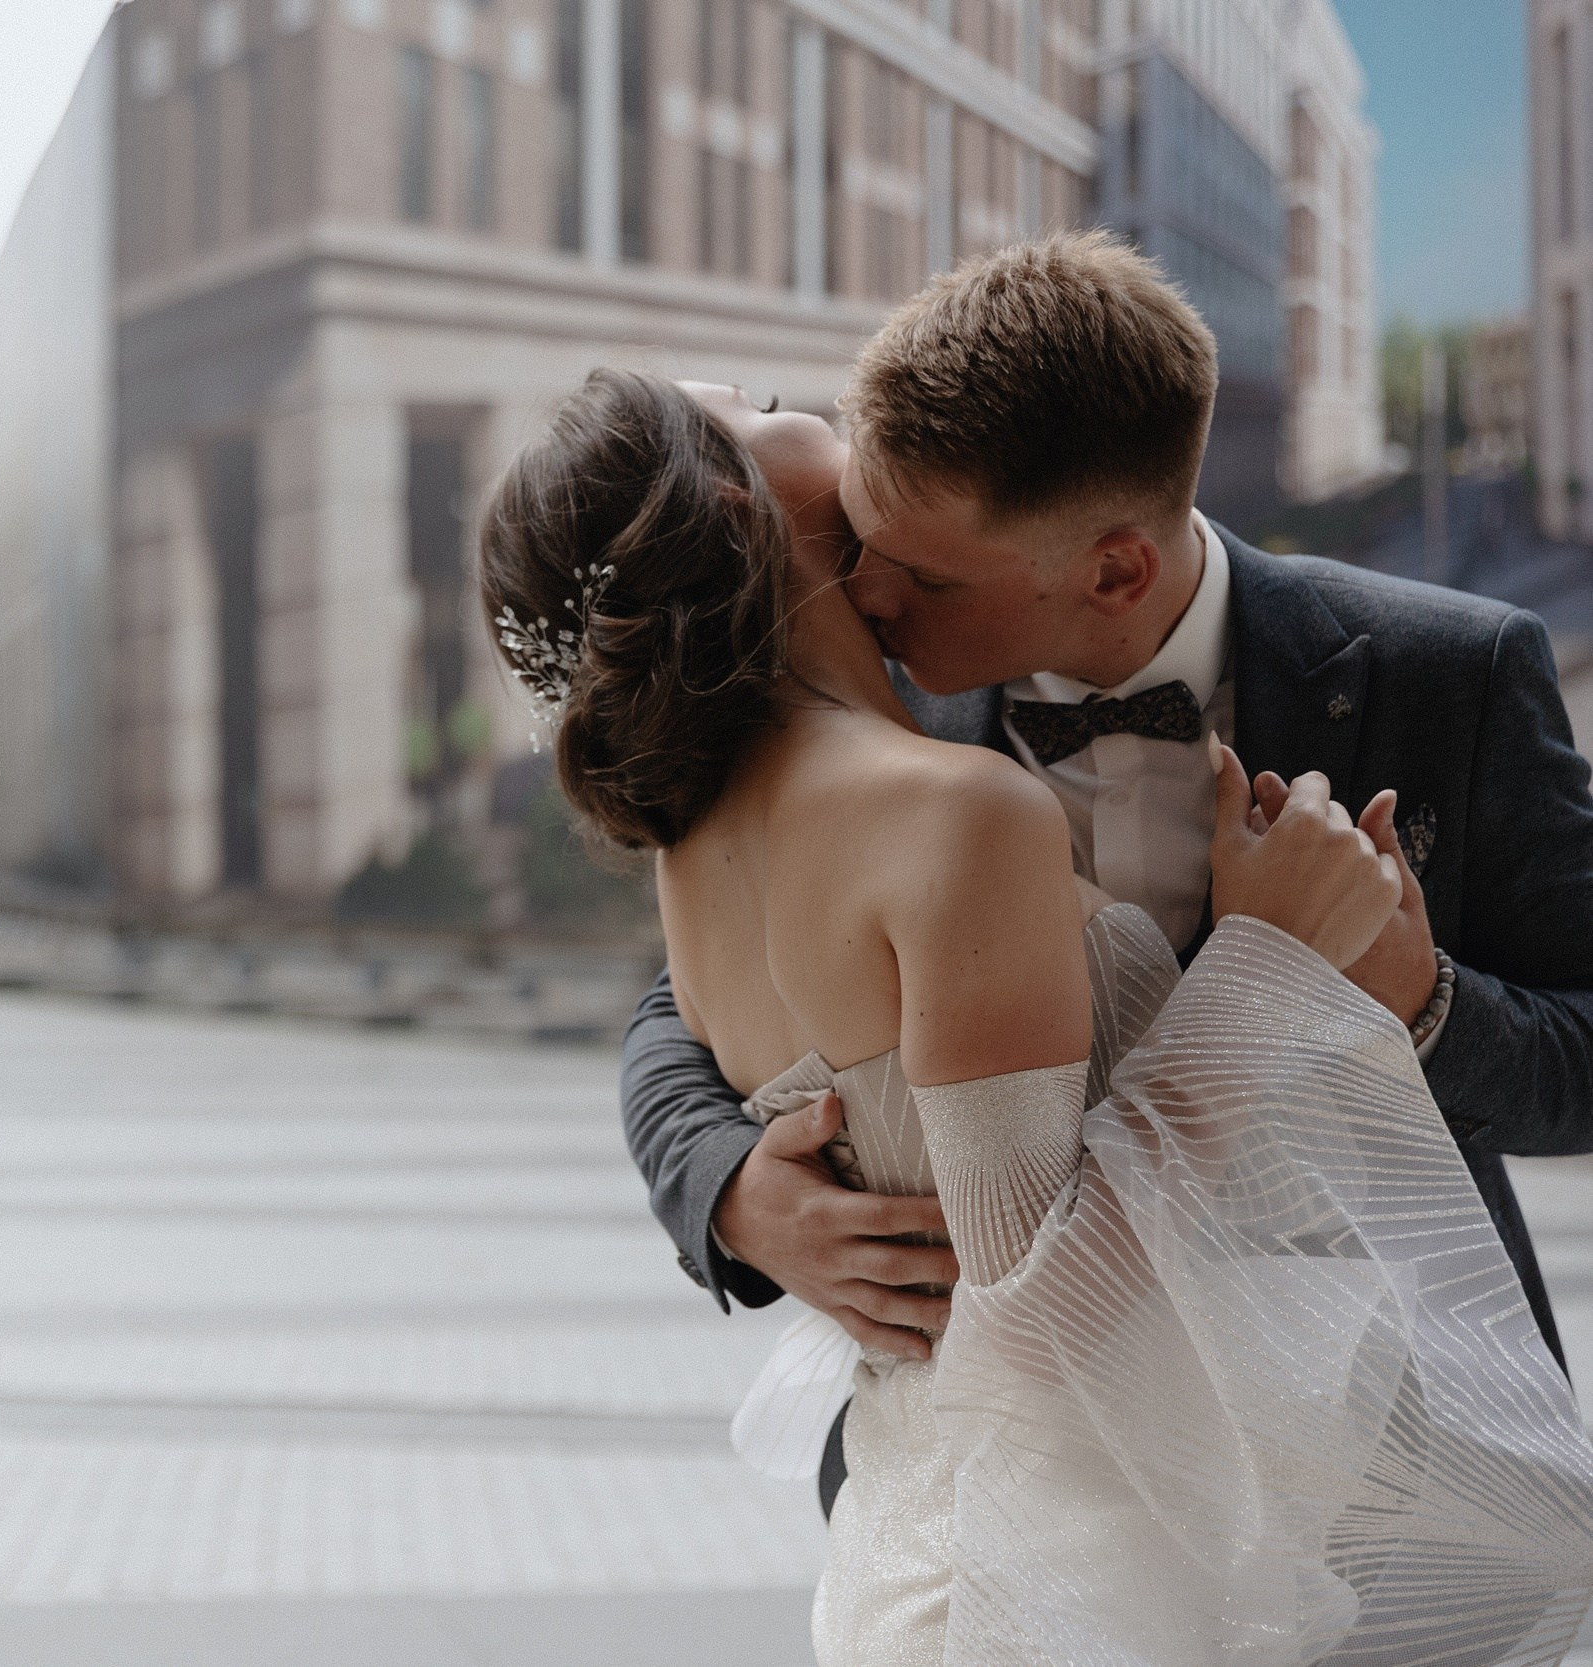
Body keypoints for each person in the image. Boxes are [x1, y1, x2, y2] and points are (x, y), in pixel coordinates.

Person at [479, 240, 1593, 1659]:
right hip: (1064, 1546)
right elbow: (678, 1024)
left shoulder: (1451, 675)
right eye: (860, 542)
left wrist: (1416, 1001)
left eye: (917, 571)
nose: (873, 585)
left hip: (1387, 1472)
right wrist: (730, 1193)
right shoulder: (909, 765)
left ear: (1115, 566)